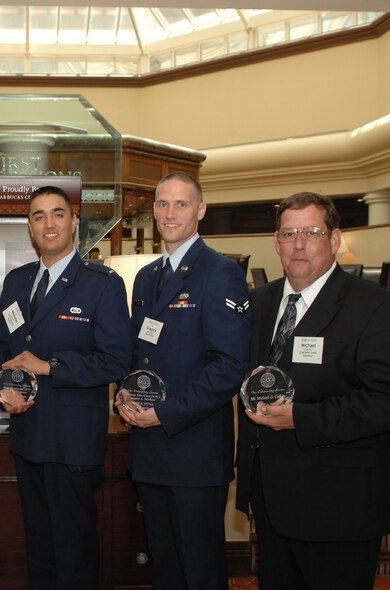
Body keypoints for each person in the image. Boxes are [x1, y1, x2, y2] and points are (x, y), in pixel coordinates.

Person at [235, 192, 390, 590]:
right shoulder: (261, 303)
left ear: (334, 239)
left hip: (338, 505)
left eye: (311, 232)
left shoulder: (378, 307)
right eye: (289, 233)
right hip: (271, 499)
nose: (298, 243)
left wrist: (300, 418)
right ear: (276, 242)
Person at [0, 185, 131, 590]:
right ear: (30, 228)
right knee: (39, 545)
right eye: (38, 216)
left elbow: (116, 360)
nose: (48, 223)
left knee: (74, 549)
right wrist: (5, 388)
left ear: (73, 222)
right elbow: (2, 346)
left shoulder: (101, 284)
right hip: (26, 435)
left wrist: (50, 366)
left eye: (57, 214)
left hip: (72, 442)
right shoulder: (17, 282)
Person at [115, 172, 251, 590]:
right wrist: (124, 393)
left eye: (181, 204)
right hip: (150, 449)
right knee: (165, 566)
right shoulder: (147, 276)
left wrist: (163, 412)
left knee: (200, 569)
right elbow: (140, 353)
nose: (169, 213)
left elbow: (228, 367)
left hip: (193, 452)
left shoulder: (220, 273)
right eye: (162, 204)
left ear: (201, 211)